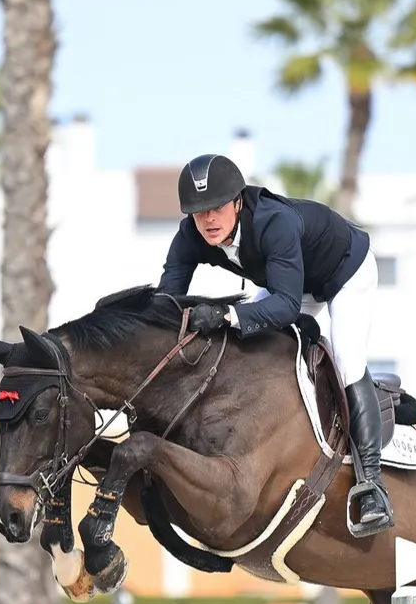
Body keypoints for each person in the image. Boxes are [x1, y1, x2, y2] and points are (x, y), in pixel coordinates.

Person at [154, 152, 393, 537]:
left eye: (216, 208)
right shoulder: (191, 236)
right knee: (254, 350)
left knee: (348, 362)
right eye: (199, 212)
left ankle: (372, 486)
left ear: (237, 201)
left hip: (345, 271)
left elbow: (284, 305)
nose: (209, 220)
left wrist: (226, 315)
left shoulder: (273, 223)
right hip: (292, 282)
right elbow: (166, 302)